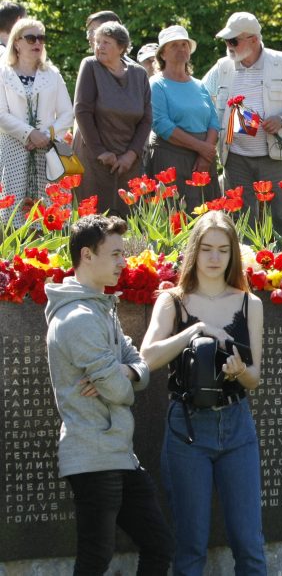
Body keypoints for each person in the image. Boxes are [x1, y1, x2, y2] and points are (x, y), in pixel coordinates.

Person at [45, 214, 173, 575]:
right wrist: (122, 379)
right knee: (95, 559)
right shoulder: (78, 318)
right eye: (115, 253)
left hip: (119, 455)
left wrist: (125, 371)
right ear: (86, 255)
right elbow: (120, 392)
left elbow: (139, 366)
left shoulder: (102, 308)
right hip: (92, 456)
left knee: (158, 546)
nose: (123, 261)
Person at [140, 210, 266, 575]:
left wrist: (240, 371)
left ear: (233, 255)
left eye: (223, 250)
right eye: (207, 249)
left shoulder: (249, 303)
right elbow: (147, 357)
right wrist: (196, 332)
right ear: (194, 250)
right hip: (187, 428)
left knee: (250, 545)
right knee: (190, 546)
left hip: (237, 425)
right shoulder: (172, 300)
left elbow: (255, 378)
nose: (214, 258)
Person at [203, 12, 282, 242]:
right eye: (226, 41)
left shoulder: (280, 62)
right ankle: (243, 270)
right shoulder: (223, 66)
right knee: (241, 220)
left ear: (253, 39)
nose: (228, 46)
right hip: (236, 157)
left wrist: (281, 119)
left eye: (233, 41)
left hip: (275, 156)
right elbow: (202, 97)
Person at [73, 21, 151, 218]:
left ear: (121, 47)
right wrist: (101, 152)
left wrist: (131, 154)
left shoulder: (139, 74)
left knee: (127, 220)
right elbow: (82, 111)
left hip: (128, 163)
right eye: (97, 41)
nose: (99, 46)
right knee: (95, 220)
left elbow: (146, 119)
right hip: (95, 158)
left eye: (106, 42)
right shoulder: (90, 66)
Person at [0, 18, 73, 227]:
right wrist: (29, 134)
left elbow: (67, 114)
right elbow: (1, 113)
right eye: (31, 38)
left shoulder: (52, 74)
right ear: (17, 43)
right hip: (13, 148)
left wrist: (46, 134)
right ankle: (12, 258)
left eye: (41, 38)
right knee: (13, 214)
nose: (37, 43)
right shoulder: (3, 72)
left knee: (49, 214)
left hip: (47, 151)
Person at [148, 25, 222, 212]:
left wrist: (206, 154)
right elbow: (161, 124)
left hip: (203, 159)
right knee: (176, 213)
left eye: (184, 44)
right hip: (171, 157)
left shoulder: (199, 85)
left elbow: (214, 121)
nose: (181, 49)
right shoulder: (156, 84)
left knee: (206, 214)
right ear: (162, 54)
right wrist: (202, 149)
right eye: (174, 45)